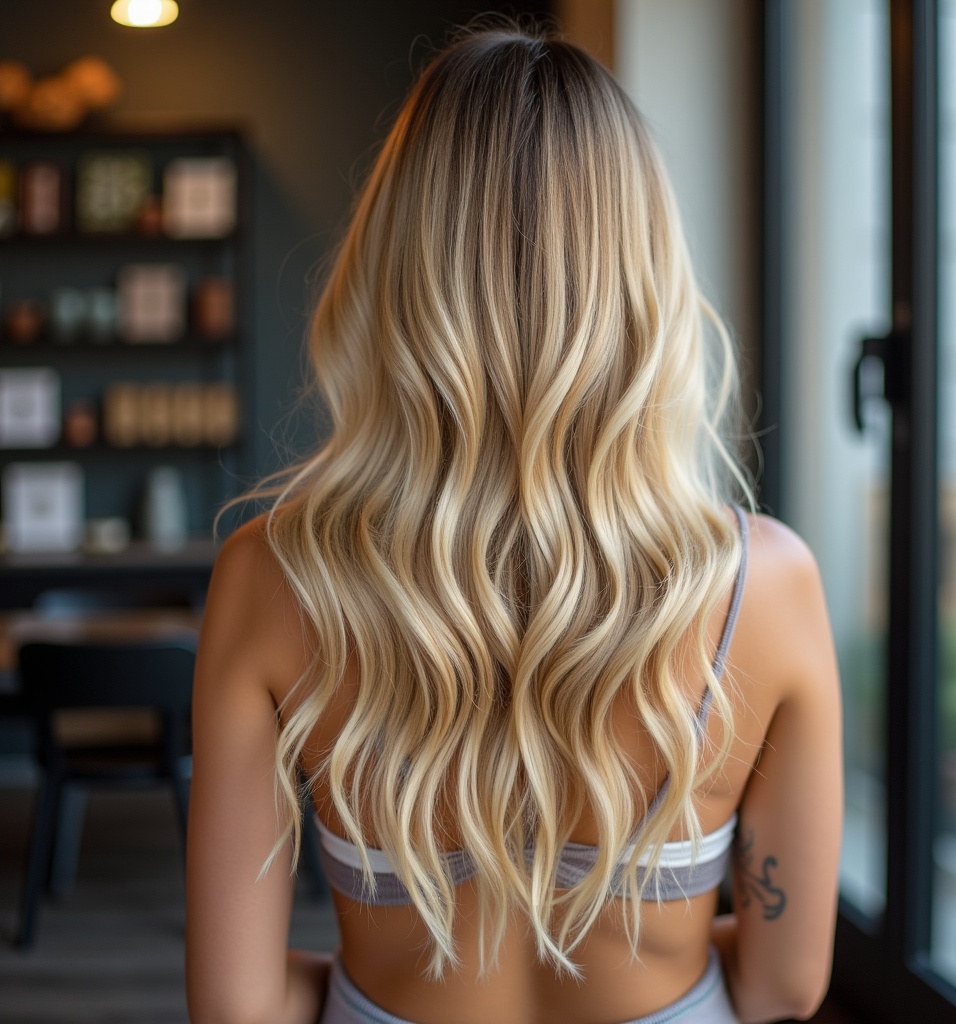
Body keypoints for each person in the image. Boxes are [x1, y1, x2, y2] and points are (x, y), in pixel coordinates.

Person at [185, 22, 842, 1024]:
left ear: (396, 267)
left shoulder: (270, 572)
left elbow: (235, 1007)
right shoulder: (767, 582)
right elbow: (783, 983)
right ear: (645, 276)